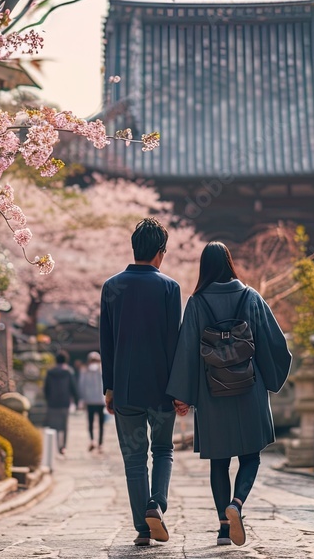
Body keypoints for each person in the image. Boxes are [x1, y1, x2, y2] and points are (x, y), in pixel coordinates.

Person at [166, 241, 292, 547]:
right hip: (250, 389)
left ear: (204, 267)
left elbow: (186, 351)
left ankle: (224, 528)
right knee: (251, 456)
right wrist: (270, 379)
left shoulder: (197, 303)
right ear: (229, 263)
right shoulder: (251, 297)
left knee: (218, 462)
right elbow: (274, 343)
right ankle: (236, 504)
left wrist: (183, 395)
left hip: (212, 393)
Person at [99, 217, 187, 547]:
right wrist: (179, 390)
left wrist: (109, 387)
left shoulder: (112, 287)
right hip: (161, 388)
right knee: (163, 450)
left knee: (134, 459)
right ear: (160, 252)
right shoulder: (169, 288)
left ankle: (143, 528)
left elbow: (106, 342)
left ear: (134, 248)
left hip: (125, 387)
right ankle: (156, 505)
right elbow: (173, 344)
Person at [43, 350, 79, 455]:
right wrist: (76, 401)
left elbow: (46, 388)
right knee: (64, 425)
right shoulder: (68, 372)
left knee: (54, 426)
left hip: (53, 403)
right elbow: (73, 388)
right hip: (65, 402)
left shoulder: (50, 372)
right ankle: (63, 447)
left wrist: (48, 399)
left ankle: (54, 447)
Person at [79, 351, 107, 452]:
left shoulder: (85, 371)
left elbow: (81, 386)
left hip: (92, 400)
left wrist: (82, 399)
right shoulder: (102, 370)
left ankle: (94, 441)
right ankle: (98, 443)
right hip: (99, 400)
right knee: (100, 423)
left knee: (92, 422)